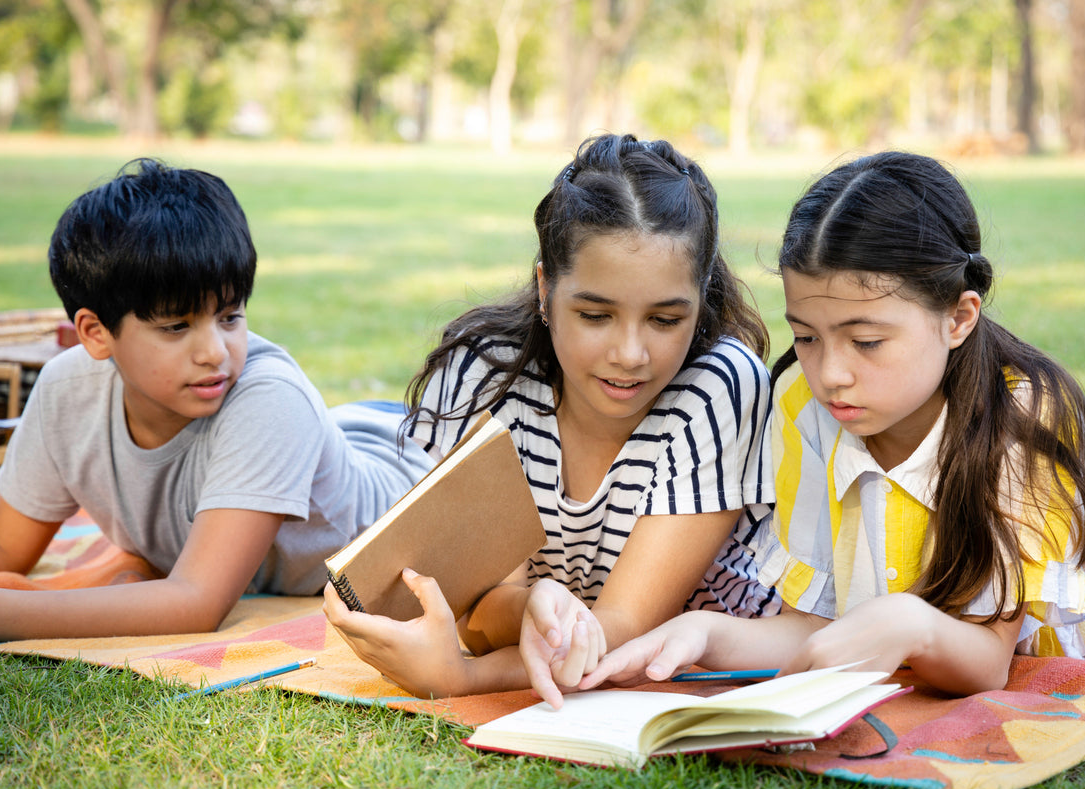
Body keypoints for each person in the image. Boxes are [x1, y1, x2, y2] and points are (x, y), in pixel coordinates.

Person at [581, 150, 1085, 697]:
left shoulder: (1020, 421)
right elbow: (812, 630)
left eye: (866, 341)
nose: (831, 374)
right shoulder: (800, 407)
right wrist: (704, 634)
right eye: (807, 337)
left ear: (958, 317)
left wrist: (910, 622)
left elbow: (986, 662)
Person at [323, 134, 777, 706]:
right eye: (595, 314)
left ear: (701, 297)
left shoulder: (718, 389)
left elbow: (628, 629)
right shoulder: (486, 378)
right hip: (580, 648)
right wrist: (535, 604)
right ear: (544, 288)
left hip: (706, 657)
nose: (630, 354)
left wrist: (460, 680)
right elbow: (482, 614)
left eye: (664, 319)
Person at [0, 159, 430, 646]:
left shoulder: (269, 399)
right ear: (95, 333)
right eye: (175, 327)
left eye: (230, 316)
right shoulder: (68, 390)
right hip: (342, 432)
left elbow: (196, 601)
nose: (214, 351)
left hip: (418, 474)